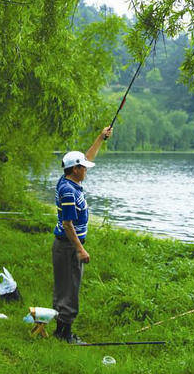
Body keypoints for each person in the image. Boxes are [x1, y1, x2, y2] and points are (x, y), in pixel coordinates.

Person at [52, 126, 113, 344]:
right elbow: (68, 224)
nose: (86, 169)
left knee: (64, 287)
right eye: (83, 167)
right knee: (70, 290)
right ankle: (65, 335)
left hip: (64, 245)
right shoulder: (69, 191)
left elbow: (87, 157)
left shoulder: (69, 180)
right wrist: (81, 249)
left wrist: (100, 137)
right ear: (75, 169)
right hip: (69, 247)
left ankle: (60, 330)